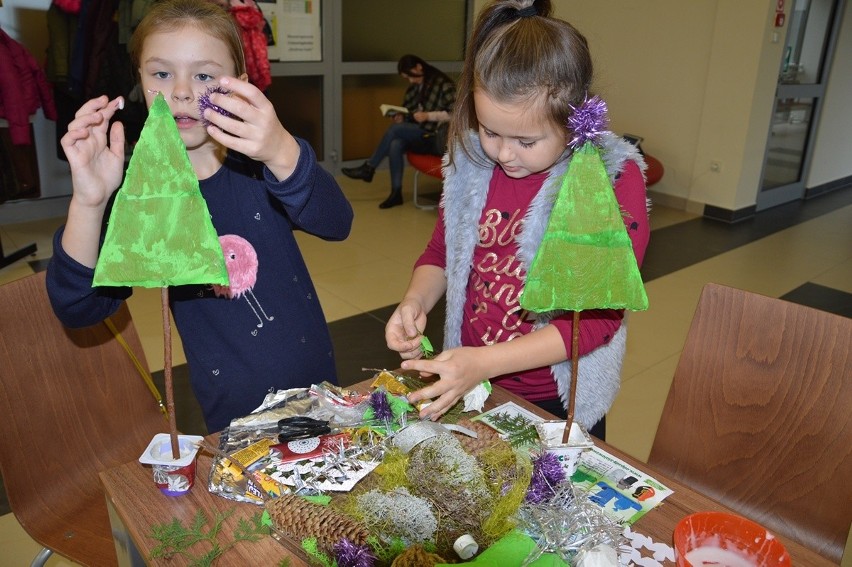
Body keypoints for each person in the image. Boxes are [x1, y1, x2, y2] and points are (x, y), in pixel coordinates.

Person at [46, 0, 354, 433]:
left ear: (241, 86)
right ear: (140, 80)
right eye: (162, 73)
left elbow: (336, 223)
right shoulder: (146, 197)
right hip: (233, 416)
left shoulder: (262, 163)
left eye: (204, 75)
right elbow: (79, 308)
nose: (182, 92)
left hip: (317, 389)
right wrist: (91, 202)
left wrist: (282, 150)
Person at [383, 0, 650, 440]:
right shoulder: (471, 164)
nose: (504, 154)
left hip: (555, 401)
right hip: (471, 381)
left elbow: (596, 320)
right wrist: (415, 302)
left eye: (526, 140)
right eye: (490, 132)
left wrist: (483, 362)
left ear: (574, 119)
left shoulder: (608, 181)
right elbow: (440, 252)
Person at [341, 54, 456, 209]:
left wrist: (428, 116)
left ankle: (369, 168)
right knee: (396, 143)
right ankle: (396, 193)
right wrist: (402, 118)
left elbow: (455, 113)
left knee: (395, 130)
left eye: (411, 76)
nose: (410, 81)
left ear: (419, 67)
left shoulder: (443, 84)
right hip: (421, 134)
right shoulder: (415, 88)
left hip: (437, 137)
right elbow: (410, 112)